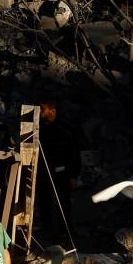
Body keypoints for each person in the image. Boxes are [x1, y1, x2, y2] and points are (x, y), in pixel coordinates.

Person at [37, 98, 81, 242]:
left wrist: (73, 175)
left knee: (63, 203)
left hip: (63, 173)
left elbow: (74, 153)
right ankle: (48, 230)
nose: (40, 112)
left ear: (52, 110)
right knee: (44, 202)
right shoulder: (39, 129)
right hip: (44, 173)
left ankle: (65, 232)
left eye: (42, 109)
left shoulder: (65, 130)